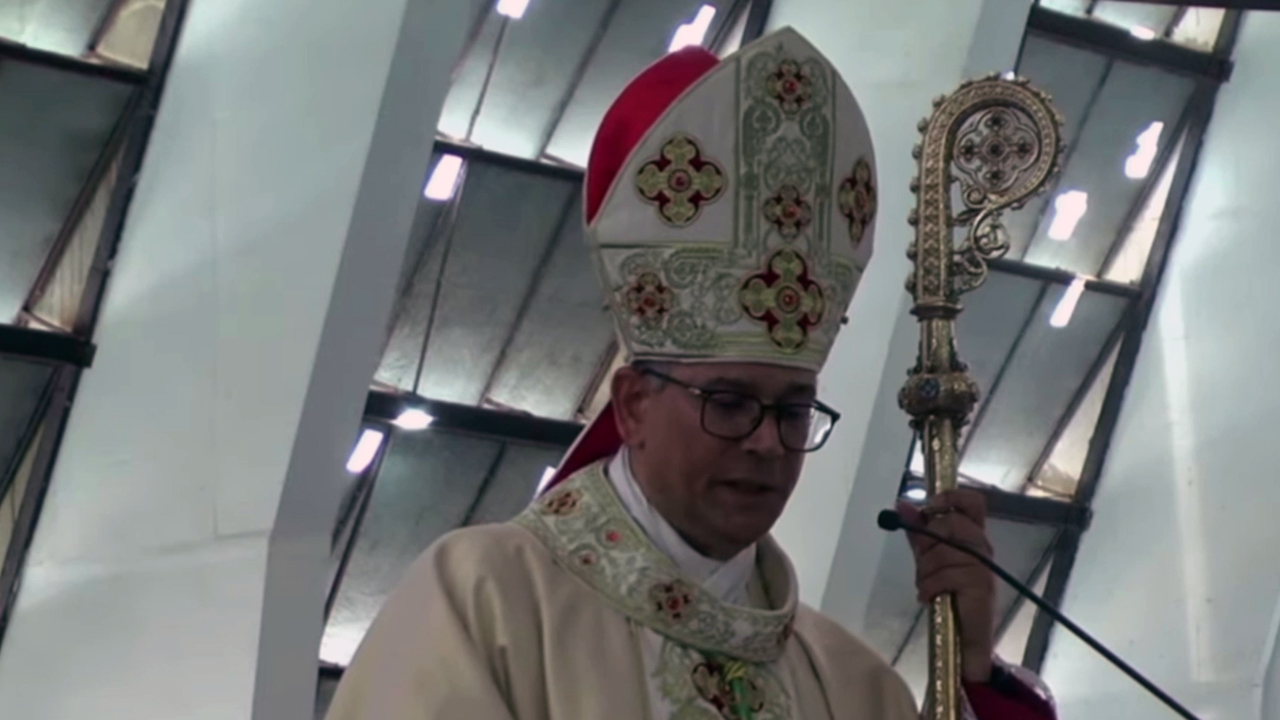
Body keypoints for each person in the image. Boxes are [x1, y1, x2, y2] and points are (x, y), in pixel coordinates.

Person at [325, 27, 1056, 720]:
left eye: (794, 411)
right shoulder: (487, 602)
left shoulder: (848, 683)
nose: (769, 445)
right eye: (731, 402)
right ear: (635, 404)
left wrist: (972, 670)